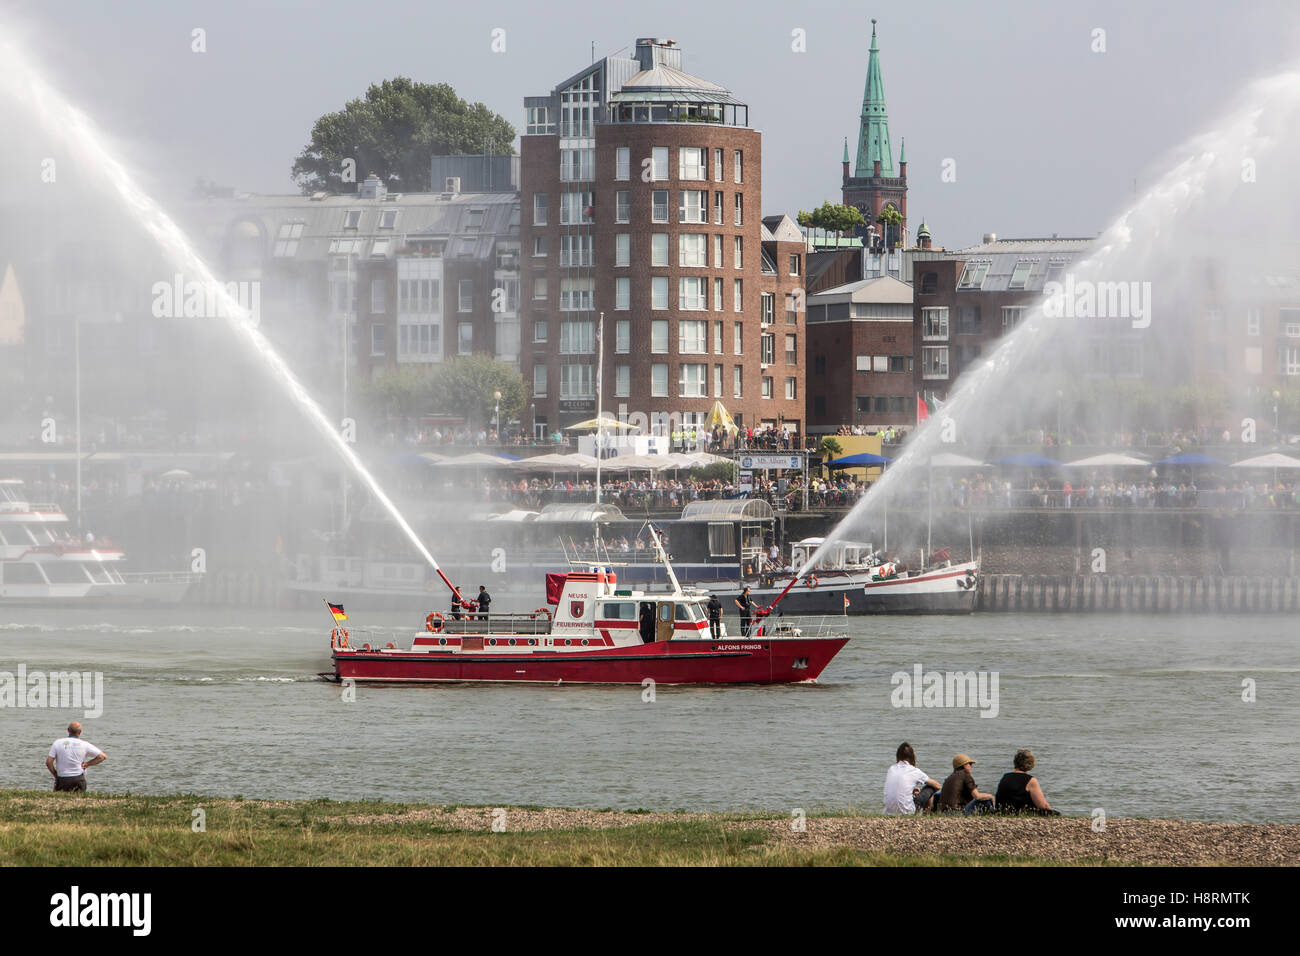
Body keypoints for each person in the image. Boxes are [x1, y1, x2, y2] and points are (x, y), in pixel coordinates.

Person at [883, 742, 942, 814]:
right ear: (912, 757)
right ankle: (925, 816)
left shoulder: (891, 769)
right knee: (931, 787)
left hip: (888, 812)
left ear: (898, 756)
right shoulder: (914, 770)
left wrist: (911, 791)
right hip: (906, 811)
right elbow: (938, 786)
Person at [47, 721, 106, 793]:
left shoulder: (58, 743)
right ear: (80, 732)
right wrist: (87, 764)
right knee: (78, 802)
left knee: (59, 801)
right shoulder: (84, 744)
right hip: (78, 779)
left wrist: (56, 775)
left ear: (68, 730)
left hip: (62, 779)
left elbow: (48, 762)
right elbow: (102, 756)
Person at [995, 748, 1058, 814]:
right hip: (1021, 812)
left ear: (1015, 762)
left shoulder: (1005, 777)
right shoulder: (1030, 780)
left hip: (1002, 812)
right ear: (1031, 763)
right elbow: (1043, 805)